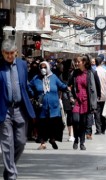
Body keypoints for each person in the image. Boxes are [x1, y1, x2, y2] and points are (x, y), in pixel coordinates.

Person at [0, 39, 36, 180]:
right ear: (2, 53)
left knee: (21, 142)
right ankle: (12, 176)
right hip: (4, 110)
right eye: (6, 53)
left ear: (16, 52)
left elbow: (24, 85)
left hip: (20, 109)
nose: (9, 56)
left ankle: (9, 171)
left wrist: (33, 91)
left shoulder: (22, 65)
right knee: (7, 144)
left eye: (12, 53)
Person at [28, 61, 69, 150]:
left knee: (54, 124)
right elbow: (29, 86)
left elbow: (61, 85)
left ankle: (52, 139)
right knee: (42, 125)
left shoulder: (54, 77)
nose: (43, 69)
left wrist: (67, 88)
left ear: (48, 68)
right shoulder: (36, 78)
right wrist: (32, 94)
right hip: (42, 106)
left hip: (54, 106)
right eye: (41, 67)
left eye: (45, 67)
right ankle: (43, 143)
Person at [68, 54, 100, 150]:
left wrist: (95, 101)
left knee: (83, 123)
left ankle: (81, 142)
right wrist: (70, 96)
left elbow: (97, 88)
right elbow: (68, 86)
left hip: (87, 102)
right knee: (75, 120)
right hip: (76, 101)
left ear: (84, 62)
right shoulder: (74, 73)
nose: (77, 63)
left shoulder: (91, 73)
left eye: (79, 62)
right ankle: (76, 139)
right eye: (76, 62)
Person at [95, 56, 106, 134]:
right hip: (104, 95)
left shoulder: (93, 71)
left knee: (97, 113)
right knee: (103, 112)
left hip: (95, 96)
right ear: (101, 62)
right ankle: (103, 129)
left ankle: (98, 129)